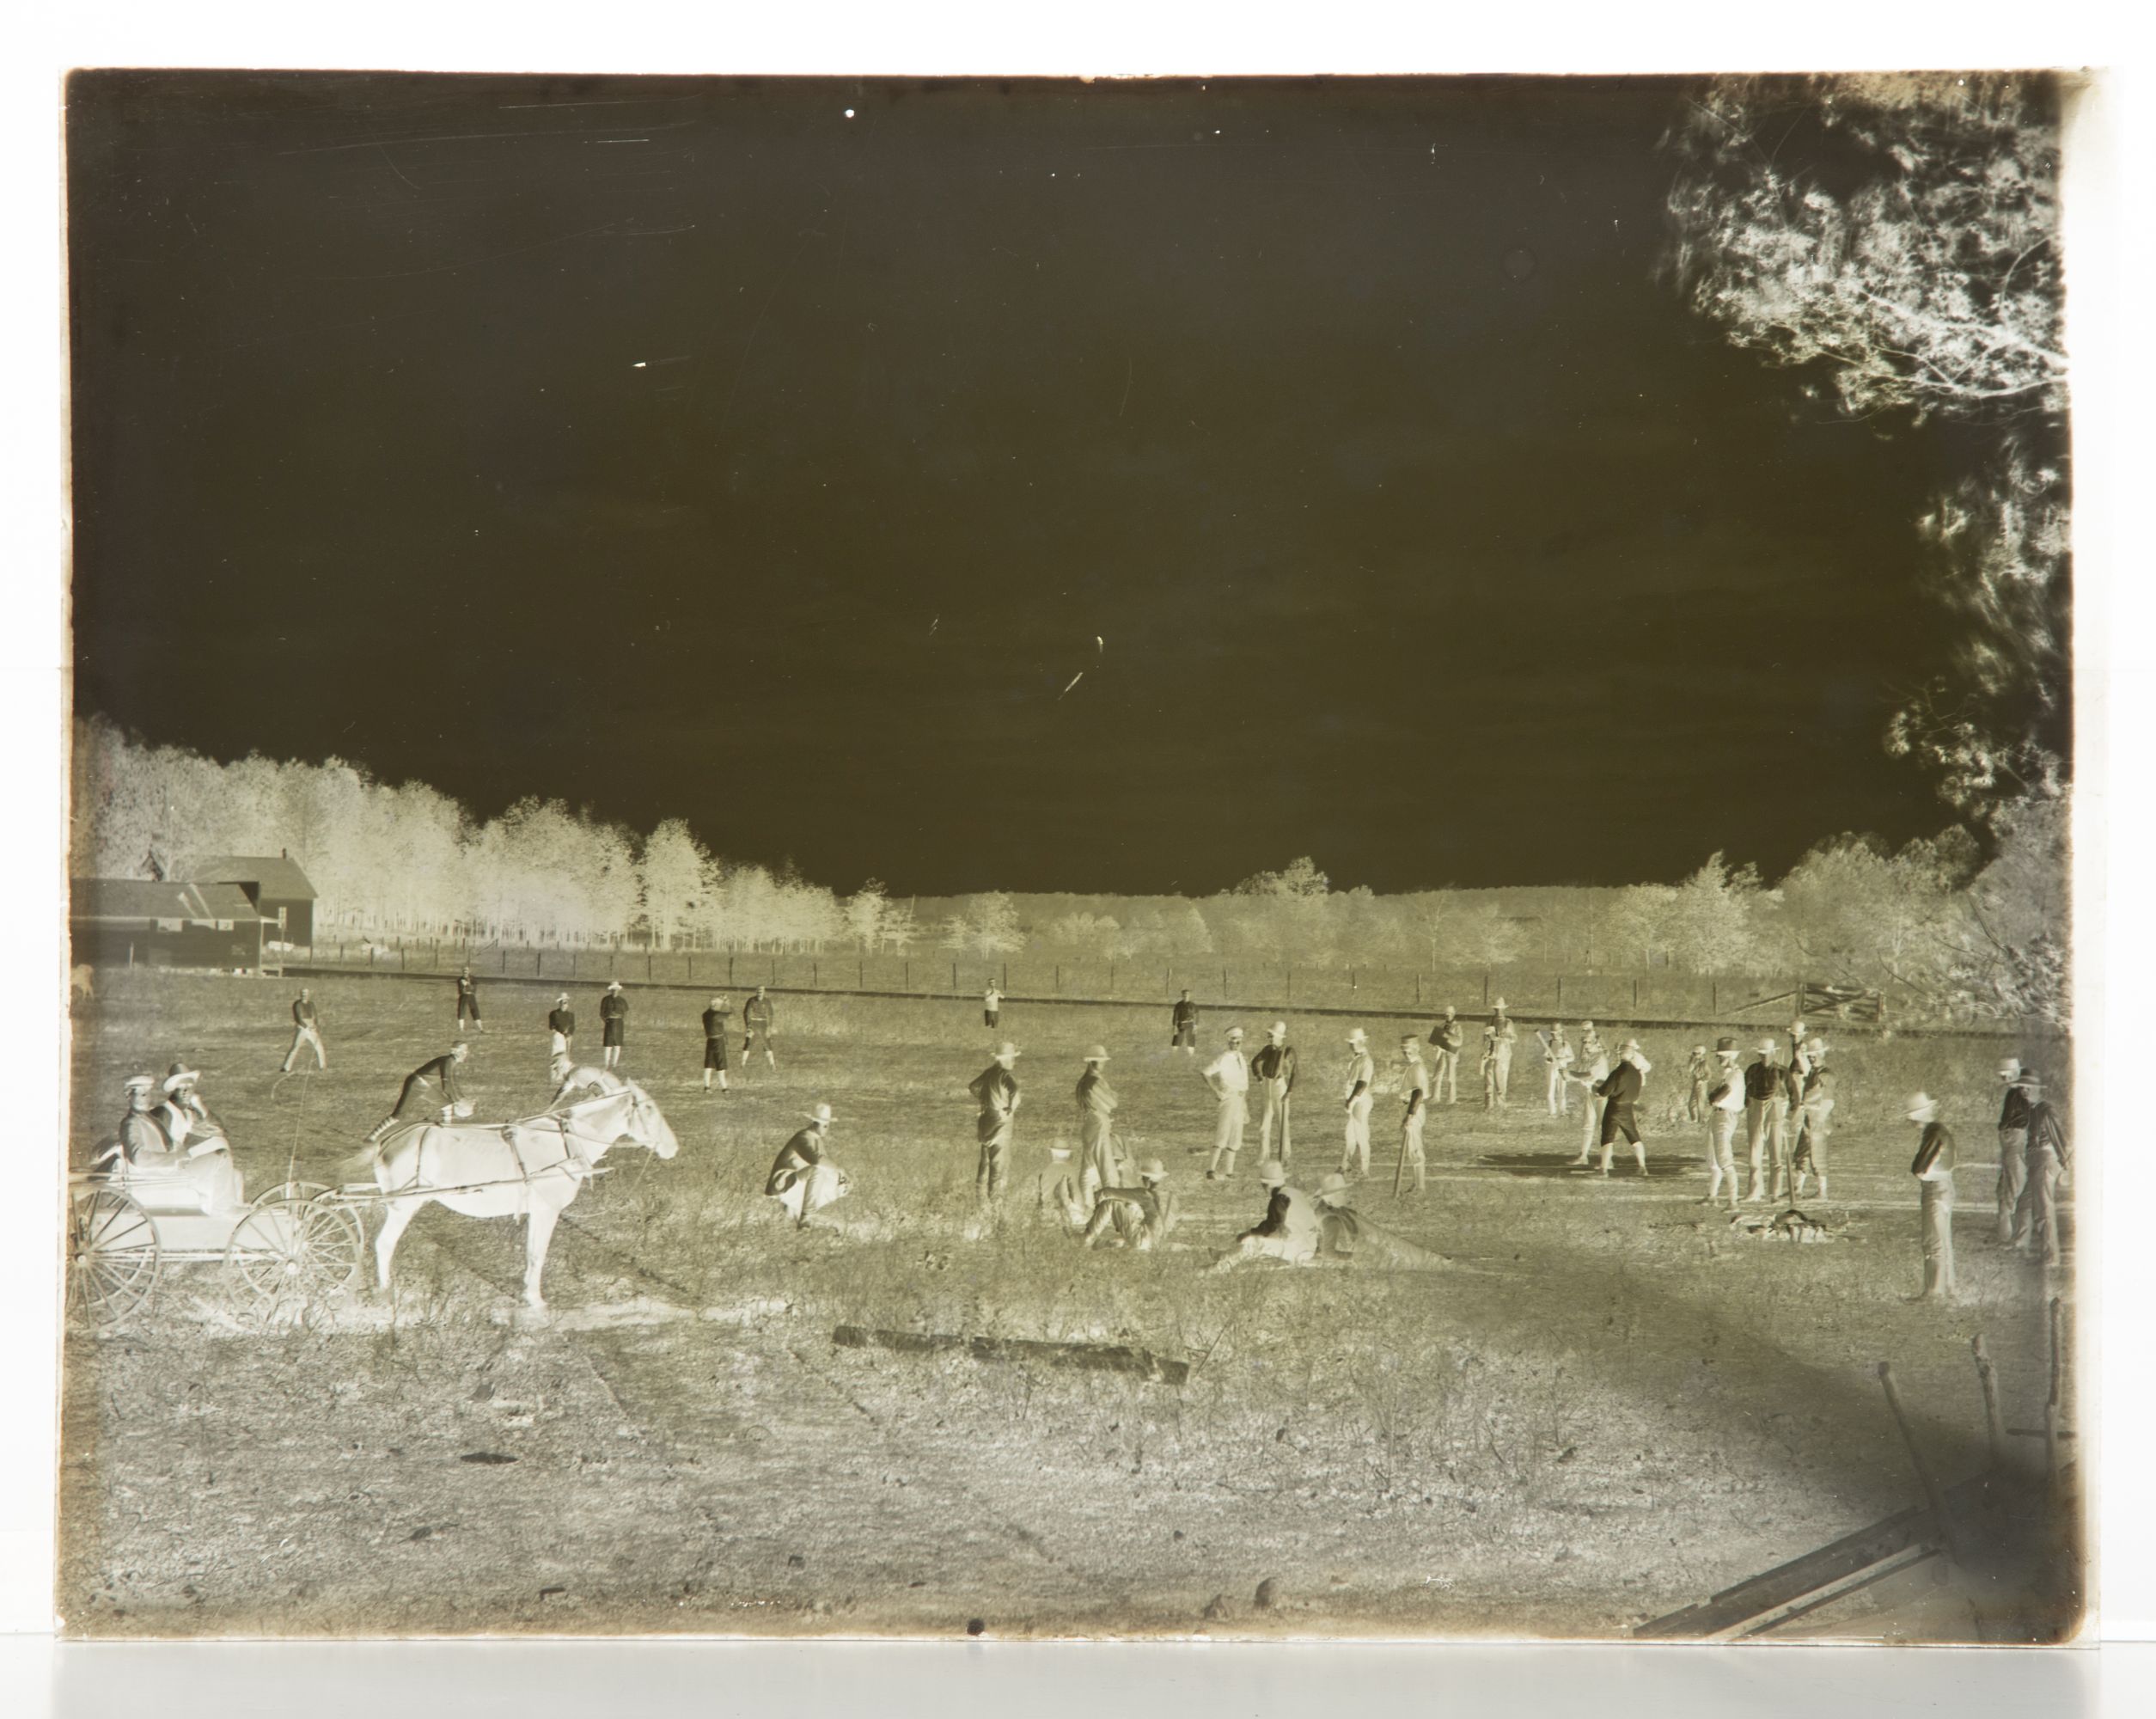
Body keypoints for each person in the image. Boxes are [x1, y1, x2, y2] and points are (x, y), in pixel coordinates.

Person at [1212, 1159, 1322, 1269]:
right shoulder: (1295, 1193)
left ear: (1266, 1185)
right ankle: (1224, 1256)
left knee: (1254, 1243)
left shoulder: (1279, 1200)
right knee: (1257, 1240)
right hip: (1309, 1244)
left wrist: (1249, 1234)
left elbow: (1272, 1229)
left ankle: (1221, 1266)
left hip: (1298, 1249)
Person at [2011, 1074, 2069, 1266]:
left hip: (2045, 1161)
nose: (2024, 1092)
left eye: (2028, 1088)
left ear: (2038, 1089)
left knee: (2043, 1210)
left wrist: (2065, 1166)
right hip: (2036, 1163)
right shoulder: (2033, 1110)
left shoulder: (2046, 1110)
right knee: (2024, 1204)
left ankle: (2051, 1258)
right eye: (2022, 1088)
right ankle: (2020, 1246)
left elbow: (2060, 1139)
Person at [366, 1042, 473, 1143]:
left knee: (447, 1105)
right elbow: (448, 1085)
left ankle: (446, 1134)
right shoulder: (448, 1061)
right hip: (417, 1084)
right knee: (399, 1114)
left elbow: (451, 1084)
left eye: (466, 1051)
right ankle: (372, 1136)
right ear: (455, 1051)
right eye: (464, 1050)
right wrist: (457, 1100)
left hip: (424, 1084)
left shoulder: (450, 1061)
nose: (466, 1053)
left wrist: (460, 1098)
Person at [767, 1103, 848, 1227]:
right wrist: (839, 1169)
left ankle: (794, 1210)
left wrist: (842, 1179)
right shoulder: (803, 1137)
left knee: (835, 1181)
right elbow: (817, 1160)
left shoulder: (816, 1139)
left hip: (795, 1180)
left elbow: (826, 1165)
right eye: (825, 1126)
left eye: (827, 1125)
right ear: (815, 1124)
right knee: (817, 1173)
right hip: (782, 1183)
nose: (827, 1129)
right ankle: (806, 1219)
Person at [1909, 1092, 1958, 1300]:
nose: (1912, 1123)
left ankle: (1933, 1291)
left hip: (1934, 1188)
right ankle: (1948, 1288)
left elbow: (1919, 1169)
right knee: (1943, 1241)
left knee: (1933, 1242)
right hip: (1945, 1185)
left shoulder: (1934, 1133)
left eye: (1913, 1118)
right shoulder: (1941, 1131)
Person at [1082, 1158, 1177, 1251]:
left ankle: (1087, 1237)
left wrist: (1094, 1200)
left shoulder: (1145, 1195)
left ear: (1148, 1180)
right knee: (1133, 1209)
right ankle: (1116, 1243)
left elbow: (1107, 1192)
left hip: (1142, 1240)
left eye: (1143, 1178)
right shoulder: (1172, 1198)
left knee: (1111, 1203)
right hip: (1159, 1241)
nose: (1142, 1181)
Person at [968, 1041, 1022, 1204]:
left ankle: (979, 1197)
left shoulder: (988, 1073)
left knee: (984, 1161)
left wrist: (986, 1100)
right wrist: (1010, 1108)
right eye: (1012, 1058)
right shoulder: (1005, 1076)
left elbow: (973, 1087)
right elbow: (1016, 1092)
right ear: (1004, 1059)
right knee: (998, 1163)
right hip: (1001, 1122)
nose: (1014, 1061)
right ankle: (995, 1202)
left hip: (986, 1120)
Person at [1593, 1039, 1650, 1178]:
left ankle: (1603, 1170)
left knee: (1608, 1138)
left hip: (1614, 1107)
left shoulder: (1617, 1072)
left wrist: (1596, 1088)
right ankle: (1642, 1166)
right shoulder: (1637, 1073)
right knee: (1634, 1138)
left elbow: (1604, 1092)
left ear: (1619, 1056)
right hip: (1628, 1108)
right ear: (1631, 1056)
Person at [1075, 1045, 1122, 1208]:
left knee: (1088, 1169)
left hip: (1088, 1123)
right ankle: (1112, 1208)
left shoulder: (1082, 1082)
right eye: (1101, 1061)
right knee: (1106, 1167)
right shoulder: (1094, 1083)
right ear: (1095, 1063)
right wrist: (1112, 1095)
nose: (1103, 1064)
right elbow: (1113, 1102)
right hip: (1098, 1123)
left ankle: (1086, 1206)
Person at [1791, 1038, 1836, 1202]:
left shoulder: (1825, 1075)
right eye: (1809, 1056)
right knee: (1803, 1153)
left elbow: (1829, 1101)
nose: (1811, 1058)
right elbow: (1802, 1064)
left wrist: (1819, 1119)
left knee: (1818, 1155)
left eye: (1814, 1055)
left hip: (1818, 1118)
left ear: (1821, 1054)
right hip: (1808, 1117)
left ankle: (1822, 1192)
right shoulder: (1813, 1072)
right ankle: (1797, 1189)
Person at [1204, 1026, 1251, 1181]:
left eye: (1238, 1041)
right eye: (1233, 1041)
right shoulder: (1224, 1057)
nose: (1236, 1043)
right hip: (1228, 1097)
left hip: (1240, 1098)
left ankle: (1229, 1172)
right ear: (1228, 1042)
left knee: (1236, 1136)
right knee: (1223, 1133)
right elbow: (1206, 1073)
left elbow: (1244, 1085)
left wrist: (1245, 1108)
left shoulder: (1242, 1058)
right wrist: (1216, 1091)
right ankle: (1211, 1170)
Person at [1702, 1037, 1744, 1210]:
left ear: (1728, 1056)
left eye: (1720, 1056)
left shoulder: (1735, 1074)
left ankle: (1733, 1201)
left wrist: (1713, 1097)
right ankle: (1712, 1196)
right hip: (1719, 1115)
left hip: (1725, 1115)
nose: (1718, 1059)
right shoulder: (1728, 1074)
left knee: (1724, 1159)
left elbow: (1720, 1096)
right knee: (1713, 1158)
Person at [1994, 1056, 2032, 1244]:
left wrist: (2006, 1131)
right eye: (2003, 1076)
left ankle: (2009, 1236)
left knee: (2011, 1188)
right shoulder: (2015, 1093)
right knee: (2009, 1186)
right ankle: (2010, 1235)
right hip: (2013, 1141)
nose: (2005, 1079)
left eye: (2007, 1076)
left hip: (2015, 1141)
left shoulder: (2020, 1093)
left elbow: (2019, 1121)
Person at [1742, 1037, 1784, 1203]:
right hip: (1756, 1108)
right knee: (1754, 1153)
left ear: (1774, 1053)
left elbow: (1793, 1093)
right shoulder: (1752, 1069)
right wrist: (1748, 1103)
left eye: (1767, 1054)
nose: (1764, 1057)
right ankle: (1754, 1191)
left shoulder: (1782, 1071)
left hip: (1775, 1109)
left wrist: (1789, 1113)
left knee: (1775, 1154)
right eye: (1762, 1054)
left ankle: (1775, 1193)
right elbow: (1746, 1089)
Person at [1250, 1020, 1298, 1165]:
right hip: (1267, 1085)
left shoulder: (1288, 1052)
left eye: (1271, 1036)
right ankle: (1262, 1156)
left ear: (1279, 1037)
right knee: (1264, 1123)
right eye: (1269, 1036)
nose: (1269, 1039)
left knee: (1282, 1122)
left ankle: (1285, 1157)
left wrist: (1289, 1091)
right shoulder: (1267, 1050)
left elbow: (1295, 1072)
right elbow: (1254, 1062)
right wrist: (1259, 1077)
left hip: (1279, 1087)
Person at [1339, 1028, 1376, 1178]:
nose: (1352, 1046)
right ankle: (1345, 1166)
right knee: (1350, 1134)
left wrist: (1351, 1100)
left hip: (1360, 1101)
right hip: (1355, 1100)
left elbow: (1361, 1085)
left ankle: (1364, 1169)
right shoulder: (1357, 1059)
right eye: (1351, 1043)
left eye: (1354, 1043)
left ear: (1362, 1042)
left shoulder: (1366, 1061)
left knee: (1361, 1135)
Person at [1396, 1033, 1429, 1196]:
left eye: (1409, 1051)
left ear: (1417, 1049)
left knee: (1415, 1149)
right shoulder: (1414, 1065)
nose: (1406, 1054)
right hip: (1410, 1108)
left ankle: (1420, 1188)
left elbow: (1418, 1094)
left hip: (1414, 1110)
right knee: (1411, 1149)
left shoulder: (1417, 1068)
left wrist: (1409, 1116)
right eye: (1404, 1051)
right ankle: (1416, 1185)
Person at [1482, 1000, 1518, 1109]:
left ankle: (1501, 1104)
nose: (1499, 1011)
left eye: (1501, 1009)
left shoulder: (1508, 1022)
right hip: (1491, 1051)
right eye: (1497, 1009)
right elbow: (1484, 1037)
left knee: (1501, 1078)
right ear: (1494, 1009)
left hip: (1504, 1052)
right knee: (1489, 1077)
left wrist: (1506, 1036)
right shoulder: (1490, 1021)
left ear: (1504, 1009)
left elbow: (1514, 1038)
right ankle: (1489, 1105)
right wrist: (1486, 1047)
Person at [281, 988, 326, 1073]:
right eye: (303, 993)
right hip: (302, 1028)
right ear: (300, 994)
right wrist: (306, 1026)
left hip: (312, 1027)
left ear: (309, 994)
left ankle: (322, 1067)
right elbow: (298, 1017)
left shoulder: (311, 1004)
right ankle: (286, 1067)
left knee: (319, 1047)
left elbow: (315, 1016)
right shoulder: (297, 1004)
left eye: (306, 993)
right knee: (296, 1047)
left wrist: (314, 1025)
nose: (304, 995)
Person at [1427, 1006, 1463, 1104]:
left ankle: (1451, 1099)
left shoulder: (1457, 1027)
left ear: (1453, 1015)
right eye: (1446, 1015)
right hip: (1442, 1052)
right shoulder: (1442, 1025)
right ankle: (1435, 1097)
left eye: (1450, 1014)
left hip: (1451, 1053)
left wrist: (1448, 1037)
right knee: (1437, 1075)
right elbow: (1437, 1037)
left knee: (1450, 1077)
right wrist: (1435, 1044)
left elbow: (1459, 1041)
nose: (1448, 1016)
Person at [1541, 1023, 1575, 1116]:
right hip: (1551, 1069)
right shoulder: (1549, 1043)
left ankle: (1562, 1111)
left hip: (1562, 1068)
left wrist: (1561, 1059)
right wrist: (1549, 1060)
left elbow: (1572, 1057)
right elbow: (1545, 1057)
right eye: (1552, 1033)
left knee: (1562, 1090)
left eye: (1556, 1033)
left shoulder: (1565, 1044)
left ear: (1561, 1032)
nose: (1554, 1035)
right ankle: (1552, 1112)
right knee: (1550, 1090)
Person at [701, 995, 733, 1092]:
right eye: (719, 1005)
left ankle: (707, 1087)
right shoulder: (717, 1015)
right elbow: (732, 1015)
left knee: (709, 1063)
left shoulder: (705, 1014)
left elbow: (712, 1009)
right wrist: (728, 1004)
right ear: (716, 1005)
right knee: (721, 1063)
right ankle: (724, 1087)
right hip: (719, 1041)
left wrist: (719, 1001)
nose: (720, 1007)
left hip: (710, 1040)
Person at [744, 985, 777, 1071]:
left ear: (764, 992)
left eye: (761, 991)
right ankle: (742, 1064)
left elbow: (771, 1014)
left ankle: (772, 1064)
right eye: (758, 991)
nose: (760, 993)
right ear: (756, 991)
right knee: (749, 1042)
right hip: (754, 1022)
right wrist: (748, 1026)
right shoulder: (751, 1000)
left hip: (763, 1023)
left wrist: (769, 1027)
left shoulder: (767, 1001)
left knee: (766, 1043)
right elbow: (746, 1013)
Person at [599, 981, 628, 1070]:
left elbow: (626, 1013)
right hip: (609, 1023)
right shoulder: (605, 1000)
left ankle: (614, 1064)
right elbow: (601, 1013)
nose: (614, 991)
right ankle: (606, 1064)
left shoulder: (622, 1000)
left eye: (616, 989)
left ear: (618, 990)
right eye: (613, 990)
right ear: (610, 990)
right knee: (608, 1045)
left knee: (617, 1044)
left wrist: (621, 1020)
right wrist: (606, 1021)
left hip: (619, 1023)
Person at [547, 993, 577, 1065]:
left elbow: (572, 1026)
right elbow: (555, 1025)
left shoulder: (571, 1015)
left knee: (567, 1057)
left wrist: (569, 1034)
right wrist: (564, 1033)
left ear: (567, 1004)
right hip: (559, 1036)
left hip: (568, 1037)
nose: (564, 1005)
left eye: (565, 1003)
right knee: (557, 1056)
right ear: (559, 1003)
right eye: (562, 1003)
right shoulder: (554, 1013)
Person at [1684, 1044, 1710, 1124]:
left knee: (1700, 1104)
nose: (1695, 1055)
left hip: (1701, 1084)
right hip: (1696, 1083)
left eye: (1696, 1053)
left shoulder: (1704, 1063)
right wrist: (1692, 1060)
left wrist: (1701, 1080)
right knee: (1691, 1104)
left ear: (1701, 1053)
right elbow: (1689, 1070)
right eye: (1694, 1053)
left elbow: (1709, 1075)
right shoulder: (1695, 1062)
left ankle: (1700, 1122)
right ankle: (1694, 1120)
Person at [455, 966, 484, 1033]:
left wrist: (468, 984)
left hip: (471, 995)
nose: (465, 972)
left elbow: (473, 988)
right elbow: (462, 988)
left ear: (469, 971)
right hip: (464, 996)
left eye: (467, 970)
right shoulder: (460, 979)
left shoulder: (473, 979)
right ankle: (461, 1029)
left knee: (475, 1011)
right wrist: (468, 985)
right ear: (462, 971)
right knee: (461, 1011)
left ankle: (481, 1029)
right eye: (464, 971)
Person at [1170, 988, 1200, 1055]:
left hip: (1190, 1025)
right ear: (1182, 995)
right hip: (1181, 1024)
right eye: (1184, 994)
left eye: (1187, 994)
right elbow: (1175, 1016)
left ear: (1189, 995)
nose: (1186, 996)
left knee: (1191, 1041)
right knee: (1176, 1040)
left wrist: (1196, 1025)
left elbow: (1197, 1016)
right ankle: (1173, 1056)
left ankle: (1191, 1057)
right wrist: (1174, 1026)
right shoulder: (1178, 1005)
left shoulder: (1193, 1005)